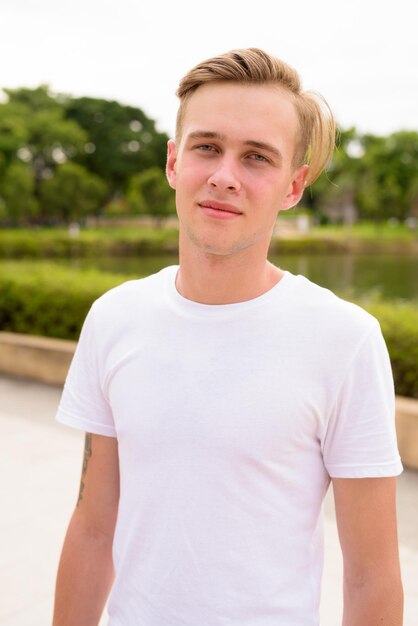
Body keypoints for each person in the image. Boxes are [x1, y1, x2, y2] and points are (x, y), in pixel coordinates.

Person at [52, 48, 403, 626]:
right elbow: (94, 526)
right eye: (207, 147)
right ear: (173, 162)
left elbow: (370, 575)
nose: (223, 176)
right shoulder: (114, 317)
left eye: (257, 157)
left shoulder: (344, 340)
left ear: (293, 187)